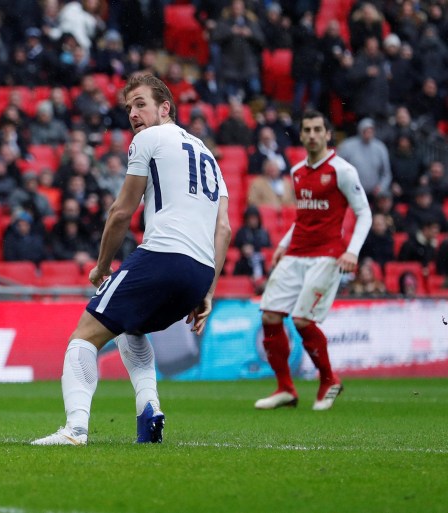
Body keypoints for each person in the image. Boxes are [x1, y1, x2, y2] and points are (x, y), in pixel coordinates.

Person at [32, 74, 231, 446]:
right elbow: (224, 229)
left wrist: (102, 266)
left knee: (84, 337)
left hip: (163, 256)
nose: (134, 114)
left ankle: (74, 430)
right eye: (128, 108)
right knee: (130, 327)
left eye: (141, 104)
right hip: (199, 272)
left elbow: (121, 211)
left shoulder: (148, 140)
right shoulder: (208, 156)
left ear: (165, 108)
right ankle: (149, 410)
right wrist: (209, 290)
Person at [255, 110, 371, 412]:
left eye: (318, 129)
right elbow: (304, 217)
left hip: (328, 254)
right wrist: (282, 244)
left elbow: (364, 213)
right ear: (302, 135)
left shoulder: (342, 170)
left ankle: (329, 379)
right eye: (306, 130)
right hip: (296, 253)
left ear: (327, 134)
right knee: (269, 315)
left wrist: (352, 251)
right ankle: (285, 388)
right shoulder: (297, 171)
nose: (312, 135)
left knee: (303, 319)